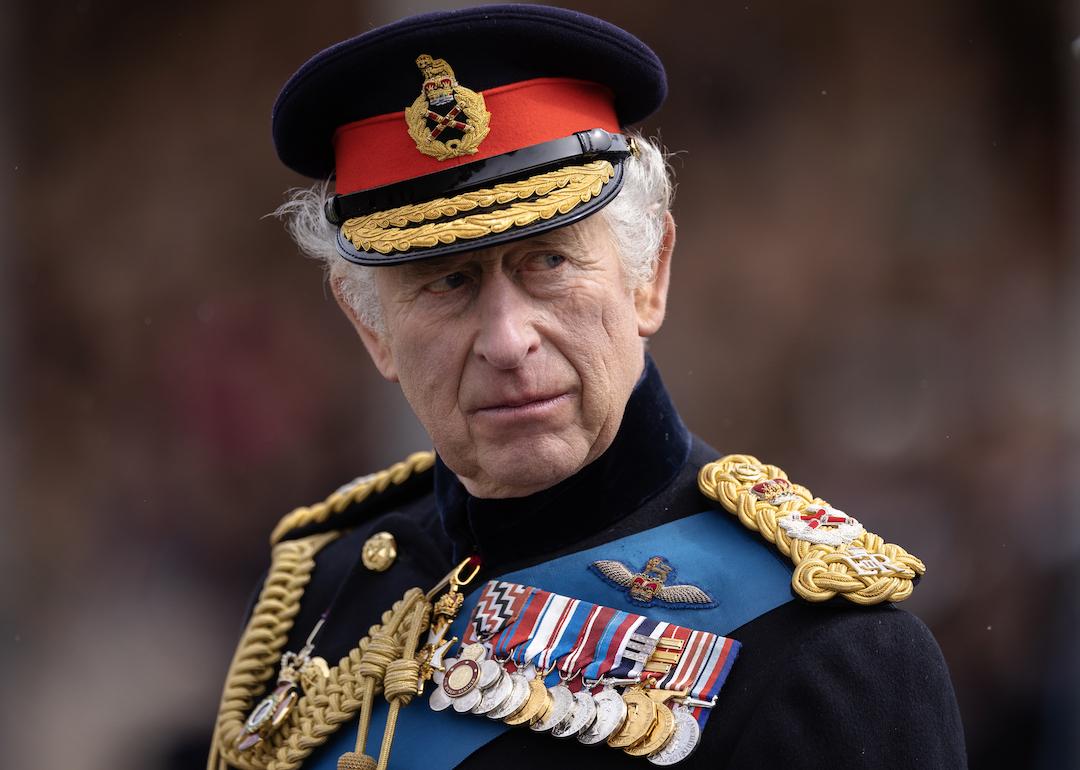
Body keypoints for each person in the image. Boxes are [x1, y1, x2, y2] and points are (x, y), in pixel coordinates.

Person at [208, 5, 966, 769]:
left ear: (649, 275)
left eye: (549, 263)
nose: (508, 342)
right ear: (371, 329)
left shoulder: (826, 653)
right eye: (446, 282)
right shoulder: (320, 588)